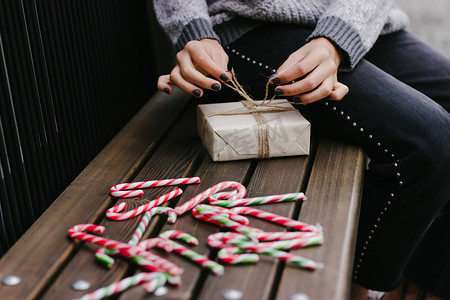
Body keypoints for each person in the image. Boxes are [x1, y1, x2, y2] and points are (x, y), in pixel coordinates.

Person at [153, 1, 450, 299]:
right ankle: (357, 290)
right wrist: (194, 32)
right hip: (249, 29)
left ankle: (421, 282)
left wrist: (337, 37)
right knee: (430, 142)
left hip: (361, 24)